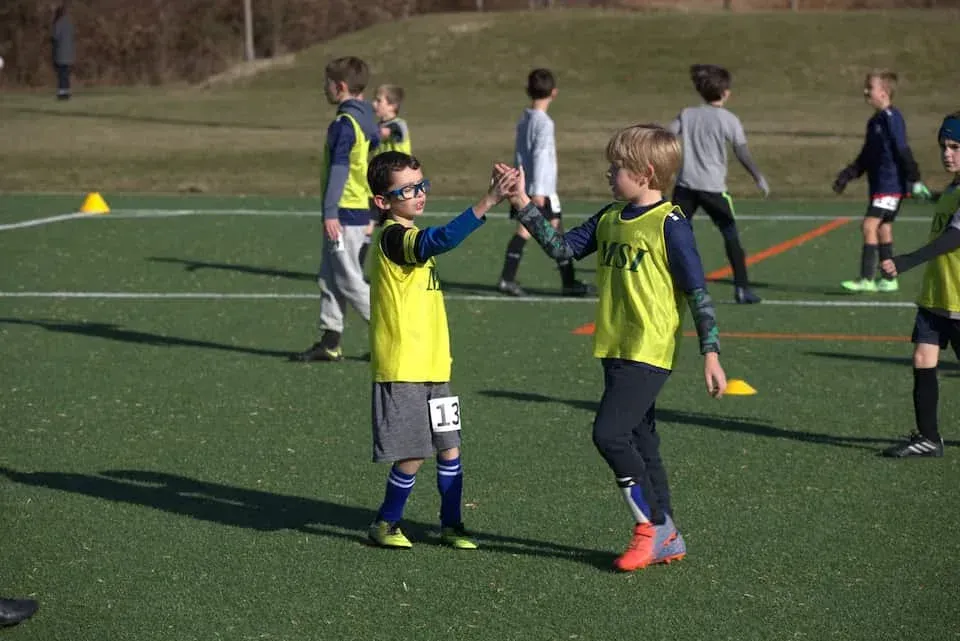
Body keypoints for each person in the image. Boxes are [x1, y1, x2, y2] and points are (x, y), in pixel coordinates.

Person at [505, 124, 727, 571]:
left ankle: (649, 528)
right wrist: (523, 203)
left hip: (650, 350)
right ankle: (668, 533)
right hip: (615, 347)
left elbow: (698, 291)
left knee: (609, 434)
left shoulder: (671, 225)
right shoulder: (609, 217)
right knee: (643, 440)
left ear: (646, 173)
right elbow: (562, 249)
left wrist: (711, 350)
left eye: (617, 167)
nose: (609, 173)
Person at [365, 150, 517, 549]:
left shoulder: (410, 235)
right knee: (413, 454)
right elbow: (442, 238)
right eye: (408, 189)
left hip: (434, 366)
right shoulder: (394, 238)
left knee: (450, 448)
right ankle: (386, 522)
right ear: (383, 201)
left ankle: (452, 524)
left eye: (422, 185)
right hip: (404, 368)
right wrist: (489, 200)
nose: (419, 194)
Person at [879, 113, 960, 458]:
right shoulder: (953, 188)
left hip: (958, 299)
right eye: (944, 147)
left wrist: (905, 261)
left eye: (955, 147)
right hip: (936, 295)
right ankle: (929, 438)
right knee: (922, 357)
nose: (947, 154)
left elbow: (954, 238)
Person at [292, 57, 380, 362]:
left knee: (348, 280)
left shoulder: (344, 124)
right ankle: (330, 342)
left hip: (345, 213)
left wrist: (330, 212)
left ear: (340, 87)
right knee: (330, 277)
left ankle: (395, 336)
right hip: (357, 210)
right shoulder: (367, 119)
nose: (323, 89)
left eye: (326, 84)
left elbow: (341, 170)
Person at [668, 64, 768, 305]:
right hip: (713, 189)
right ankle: (742, 288)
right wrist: (757, 176)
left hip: (685, 187)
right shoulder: (729, 120)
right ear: (725, 93)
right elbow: (741, 151)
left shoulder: (687, 114)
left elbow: (667, 134)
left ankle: (667, 287)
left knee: (673, 236)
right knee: (730, 235)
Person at [834, 69, 932, 293]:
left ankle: (866, 279)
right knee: (883, 228)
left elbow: (902, 149)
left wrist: (914, 179)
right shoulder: (874, 122)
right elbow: (866, 157)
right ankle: (889, 279)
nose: (866, 91)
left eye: (871, 87)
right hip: (880, 187)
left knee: (869, 225)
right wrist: (847, 175)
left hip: (890, 187)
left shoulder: (892, 118)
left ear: (885, 92)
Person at [497, 68, 590, 298]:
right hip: (539, 190)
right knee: (528, 232)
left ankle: (569, 282)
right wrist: (538, 191)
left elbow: (520, 154)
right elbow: (539, 155)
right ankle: (507, 279)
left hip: (527, 186)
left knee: (557, 233)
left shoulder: (524, 119)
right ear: (554, 93)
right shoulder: (544, 123)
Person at [360, 84, 413, 270]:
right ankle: (356, 269)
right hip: (381, 188)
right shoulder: (378, 127)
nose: (375, 104)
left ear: (392, 105)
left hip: (399, 189)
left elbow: (385, 133)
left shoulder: (398, 125)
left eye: (378, 100)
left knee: (396, 229)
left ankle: (402, 266)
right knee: (367, 225)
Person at [51, 3, 75, 100]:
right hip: (69, 52)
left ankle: (62, 93)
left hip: (60, 52)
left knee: (61, 74)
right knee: (66, 74)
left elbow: (55, 37)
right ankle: (66, 91)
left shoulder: (58, 23)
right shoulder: (69, 24)